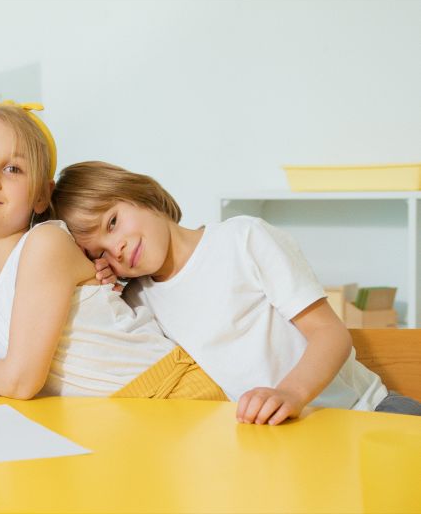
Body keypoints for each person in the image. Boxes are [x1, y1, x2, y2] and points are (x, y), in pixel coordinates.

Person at [51, 160, 421, 424]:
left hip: (366, 413)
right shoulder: (138, 299)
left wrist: (291, 394)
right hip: (286, 438)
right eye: (100, 253)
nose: (115, 248)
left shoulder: (243, 239)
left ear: (140, 195)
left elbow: (330, 333)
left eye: (112, 222)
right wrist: (105, 285)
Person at [0, 92, 226, 400]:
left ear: (42, 195)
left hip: (171, 392)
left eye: (13, 169)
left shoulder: (45, 244)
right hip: (112, 415)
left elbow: (20, 383)